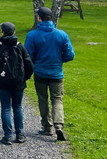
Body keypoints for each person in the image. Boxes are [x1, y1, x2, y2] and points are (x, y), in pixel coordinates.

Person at [25, 7, 75, 141]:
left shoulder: (32, 35)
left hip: (40, 72)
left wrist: (36, 63)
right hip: (56, 73)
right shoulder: (61, 34)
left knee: (43, 99)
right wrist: (59, 60)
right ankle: (59, 125)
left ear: (39, 18)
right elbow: (70, 55)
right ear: (51, 18)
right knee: (57, 99)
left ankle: (47, 127)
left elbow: (28, 55)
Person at [0, 22, 34, 145]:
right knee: (17, 107)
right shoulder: (19, 46)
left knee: (5, 108)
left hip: (3, 81)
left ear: (2, 32)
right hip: (18, 81)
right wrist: (24, 77)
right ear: (14, 32)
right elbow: (29, 64)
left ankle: (7, 135)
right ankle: (20, 134)